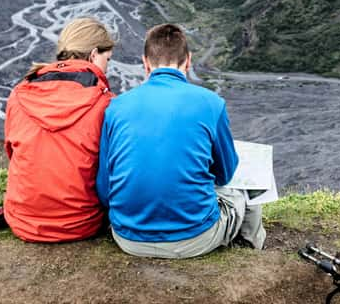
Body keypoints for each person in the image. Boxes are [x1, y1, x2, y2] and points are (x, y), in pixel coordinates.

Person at [97, 23, 265, 258]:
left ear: (145, 63)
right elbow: (225, 175)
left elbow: (105, 188)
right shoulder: (211, 102)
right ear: (188, 61)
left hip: (128, 237)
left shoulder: (116, 107)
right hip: (195, 237)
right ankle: (253, 251)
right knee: (246, 189)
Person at [3, 17, 116, 242]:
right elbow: (109, 169)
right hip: (82, 223)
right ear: (94, 55)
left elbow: (13, 153)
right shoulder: (105, 103)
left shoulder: (18, 95)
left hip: (22, 221)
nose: (107, 66)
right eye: (107, 59)